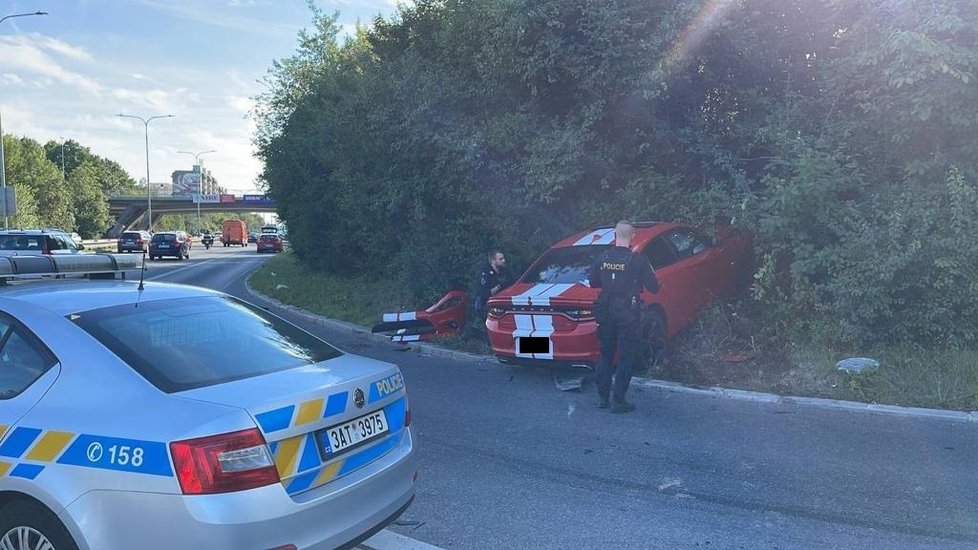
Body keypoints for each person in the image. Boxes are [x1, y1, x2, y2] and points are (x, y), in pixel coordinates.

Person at [589, 220, 660, 413]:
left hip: (605, 310)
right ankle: (618, 400)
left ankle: (603, 398)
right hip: (628, 312)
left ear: (614, 236)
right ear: (633, 236)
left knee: (606, 355)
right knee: (626, 356)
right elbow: (654, 287)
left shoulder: (601, 257)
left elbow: (593, 282)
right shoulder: (638, 260)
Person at [472, 249, 511, 323]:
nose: (504, 260)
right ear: (493, 261)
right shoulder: (486, 274)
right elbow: (484, 294)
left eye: (503, 258)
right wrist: (499, 286)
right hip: (486, 308)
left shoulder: (505, 271)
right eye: (500, 259)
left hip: (502, 307)